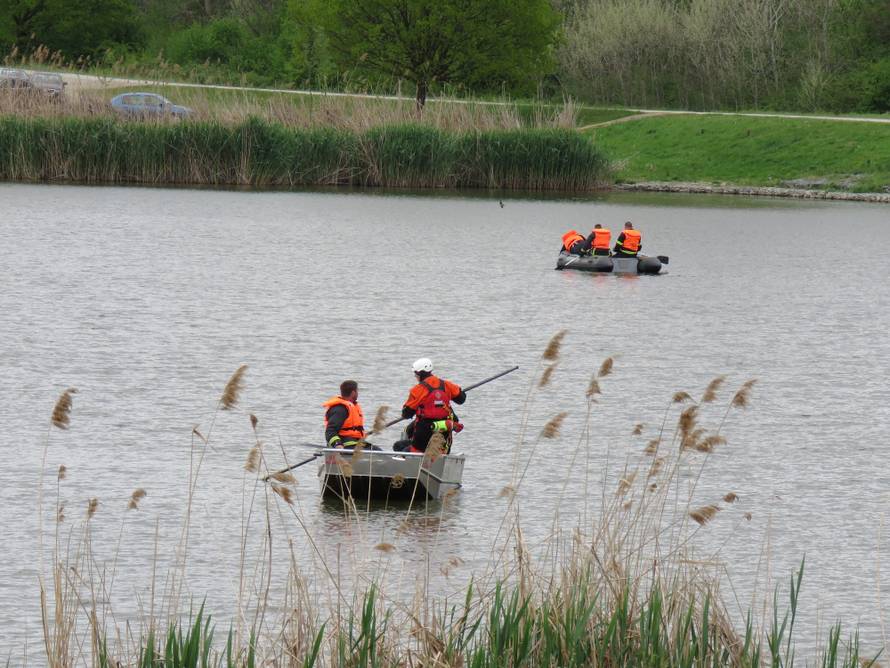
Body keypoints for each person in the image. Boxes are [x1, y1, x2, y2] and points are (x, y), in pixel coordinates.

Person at [400, 358, 466, 453]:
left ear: (421, 374)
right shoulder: (446, 385)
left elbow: (406, 413)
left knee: (399, 447)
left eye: (416, 374)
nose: (416, 376)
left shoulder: (418, 390)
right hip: (443, 435)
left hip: (423, 435)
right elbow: (461, 399)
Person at [323, 380, 365, 448]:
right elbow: (330, 431)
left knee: (376, 449)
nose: (358, 393)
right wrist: (337, 444)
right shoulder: (340, 409)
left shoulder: (351, 407)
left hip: (355, 443)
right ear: (353, 393)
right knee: (376, 451)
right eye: (357, 391)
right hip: (345, 445)